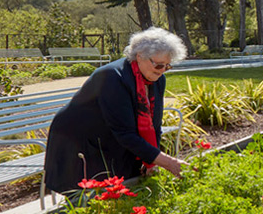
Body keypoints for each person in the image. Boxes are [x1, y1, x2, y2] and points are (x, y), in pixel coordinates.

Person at [45, 28, 189, 194]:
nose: (162, 70)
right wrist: (168, 162)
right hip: (79, 142)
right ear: (139, 56)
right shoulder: (112, 77)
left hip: (110, 138)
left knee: (122, 191)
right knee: (89, 198)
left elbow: (154, 124)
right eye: (158, 64)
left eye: (167, 66)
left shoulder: (157, 79)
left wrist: (152, 161)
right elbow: (125, 133)